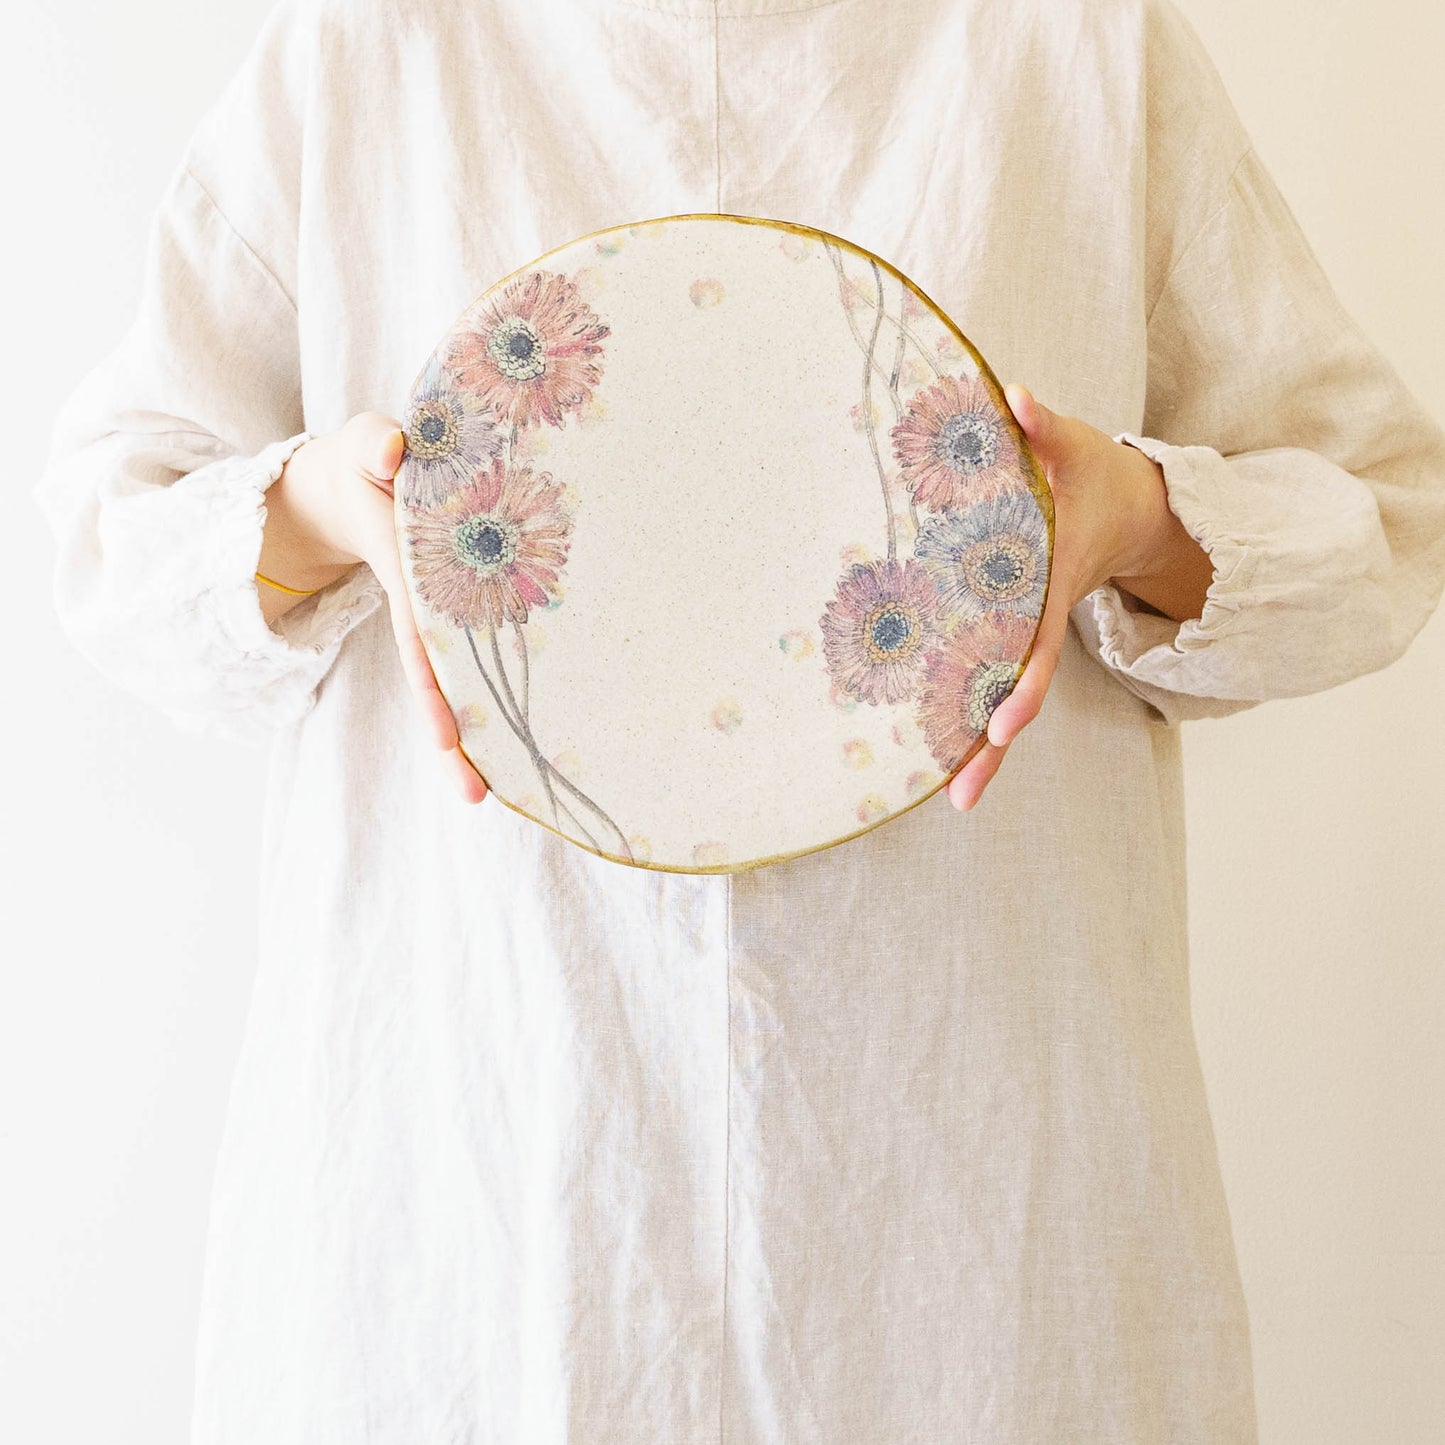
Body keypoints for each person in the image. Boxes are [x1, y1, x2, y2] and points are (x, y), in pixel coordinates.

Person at [31, 0, 1445, 1439]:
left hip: (974, 1202)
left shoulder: (1079, 47)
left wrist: (1133, 516)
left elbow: (1381, 519)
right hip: (484, 1184)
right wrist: (325, 504)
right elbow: (109, 539)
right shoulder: (370, 51)